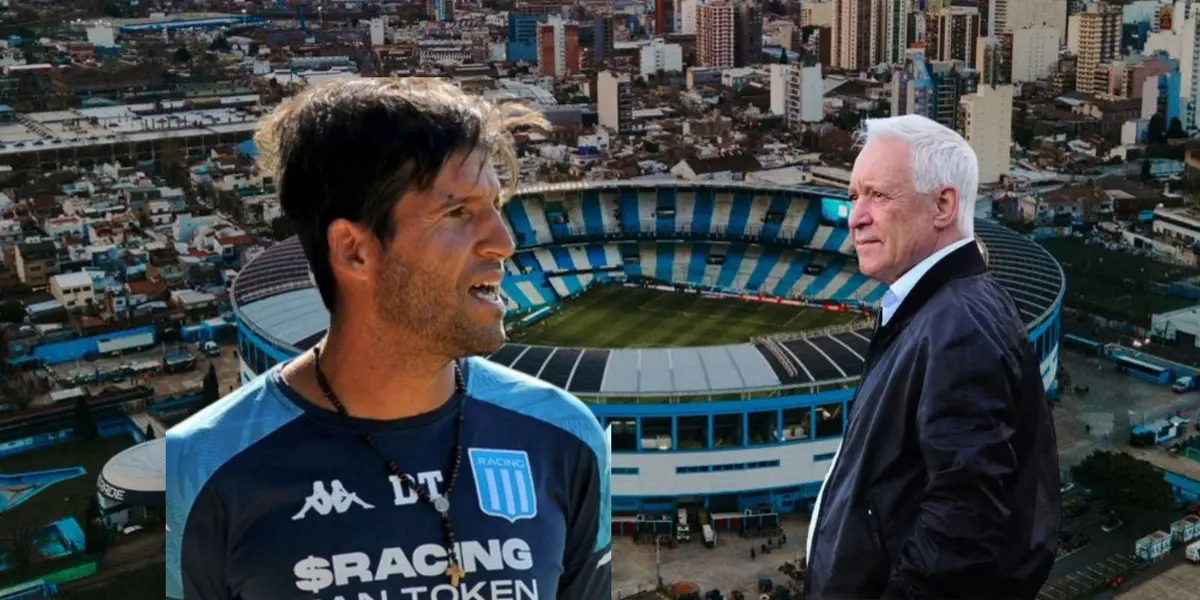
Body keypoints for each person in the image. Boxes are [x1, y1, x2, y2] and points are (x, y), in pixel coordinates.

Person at [165, 78, 612, 600]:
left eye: (496, 207)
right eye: (457, 213)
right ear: (354, 251)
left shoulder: (563, 437)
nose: (504, 244)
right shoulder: (204, 466)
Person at [803, 114, 1060, 599]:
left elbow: (964, 522)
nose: (854, 216)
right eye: (855, 196)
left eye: (878, 195)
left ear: (943, 204)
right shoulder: (939, 311)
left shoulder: (959, 325)